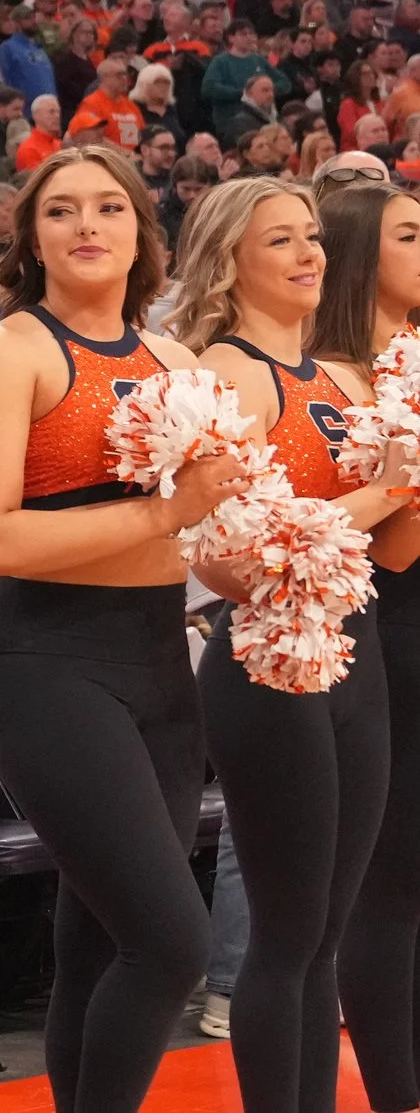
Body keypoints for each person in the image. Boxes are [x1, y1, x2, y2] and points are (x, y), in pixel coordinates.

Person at [0, 146, 249, 1113]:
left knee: (95, 945)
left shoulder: (180, 361)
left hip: (161, 658)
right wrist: (165, 515)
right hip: (48, 664)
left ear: (141, 233)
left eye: (110, 206)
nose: (87, 225)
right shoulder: (7, 353)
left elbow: (212, 522)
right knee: (169, 944)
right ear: (30, 236)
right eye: (62, 209)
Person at [166, 178, 405, 1113]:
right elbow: (234, 558)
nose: (311, 253)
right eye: (283, 240)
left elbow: (387, 542)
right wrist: (388, 487)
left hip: (360, 647)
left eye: (313, 236)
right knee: (289, 930)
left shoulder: (344, 377)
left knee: (332, 931)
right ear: (231, 260)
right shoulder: (215, 377)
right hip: (269, 662)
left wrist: (404, 484)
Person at [319, 186, 420, 1109]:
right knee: (392, 881)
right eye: (410, 234)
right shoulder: (341, 373)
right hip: (390, 633)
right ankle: (396, 1090)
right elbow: (390, 543)